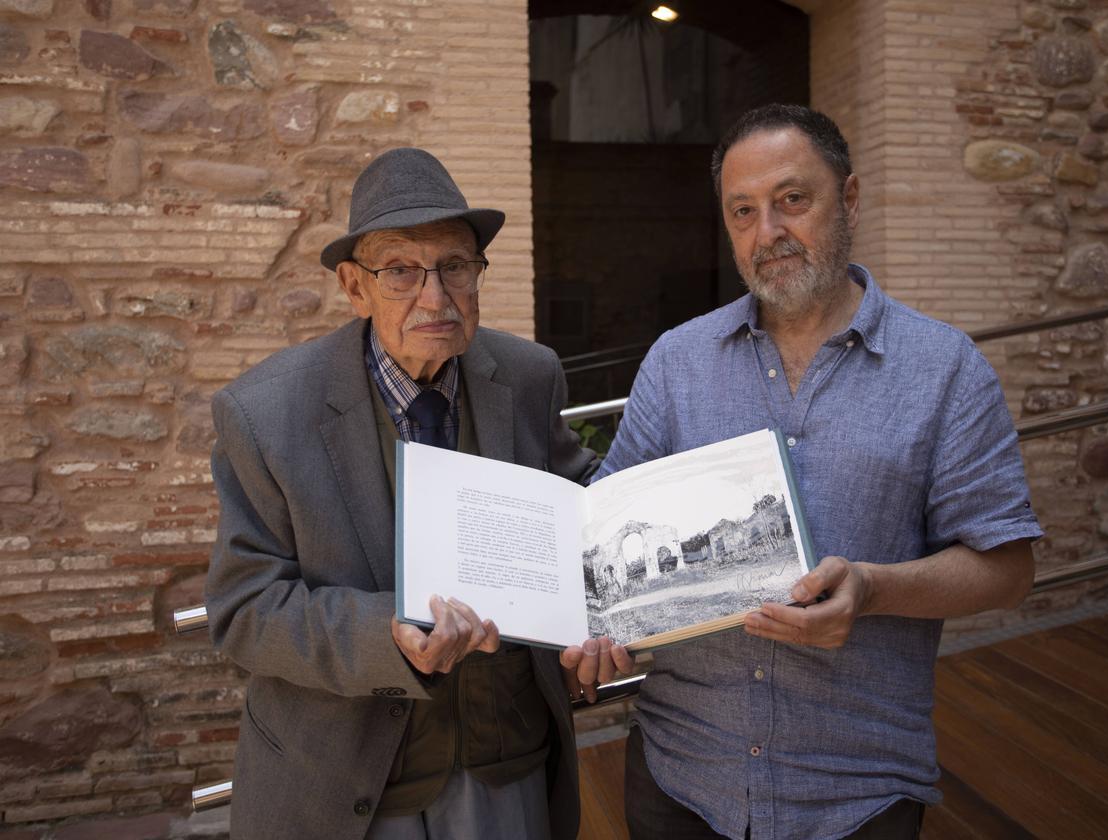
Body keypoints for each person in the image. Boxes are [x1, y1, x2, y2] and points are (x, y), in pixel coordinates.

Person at [565, 104, 1043, 839]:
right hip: (681, 775)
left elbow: (1007, 568)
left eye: (793, 200)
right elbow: (610, 529)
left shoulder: (945, 370)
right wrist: (596, 620)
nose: (769, 233)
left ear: (848, 198)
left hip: (857, 790)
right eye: (743, 211)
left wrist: (876, 589)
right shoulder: (676, 361)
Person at [205, 148, 598, 840]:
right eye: (401, 272)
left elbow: (579, 519)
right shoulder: (265, 413)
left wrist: (605, 613)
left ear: (478, 275)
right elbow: (246, 610)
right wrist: (385, 636)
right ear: (355, 288)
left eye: (455, 266)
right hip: (349, 784)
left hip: (505, 767)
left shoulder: (530, 378)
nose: (436, 297)